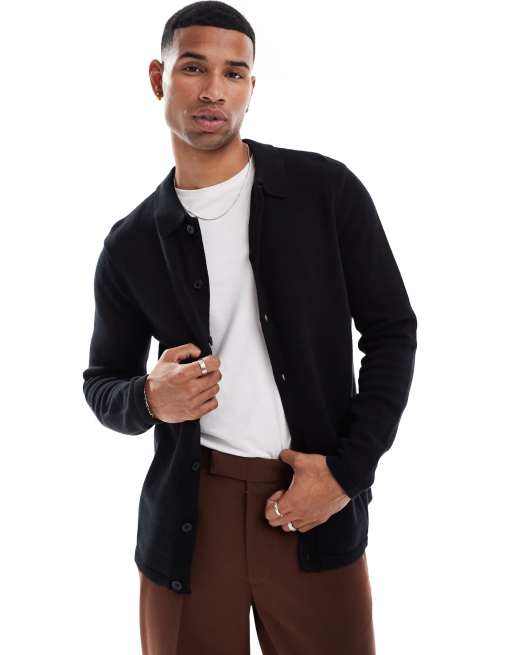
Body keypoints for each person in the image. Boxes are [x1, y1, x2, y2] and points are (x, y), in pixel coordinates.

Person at [82, 2, 417, 653]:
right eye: (193, 68)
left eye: (233, 73)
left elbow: (391, 332)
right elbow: (102, 382)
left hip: (312, 500)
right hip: (188, 520)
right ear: (158, 77)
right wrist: (149, 397)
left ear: (250, 86)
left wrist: (346, 476)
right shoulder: (130, 243)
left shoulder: (324, 190)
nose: (213, 90)